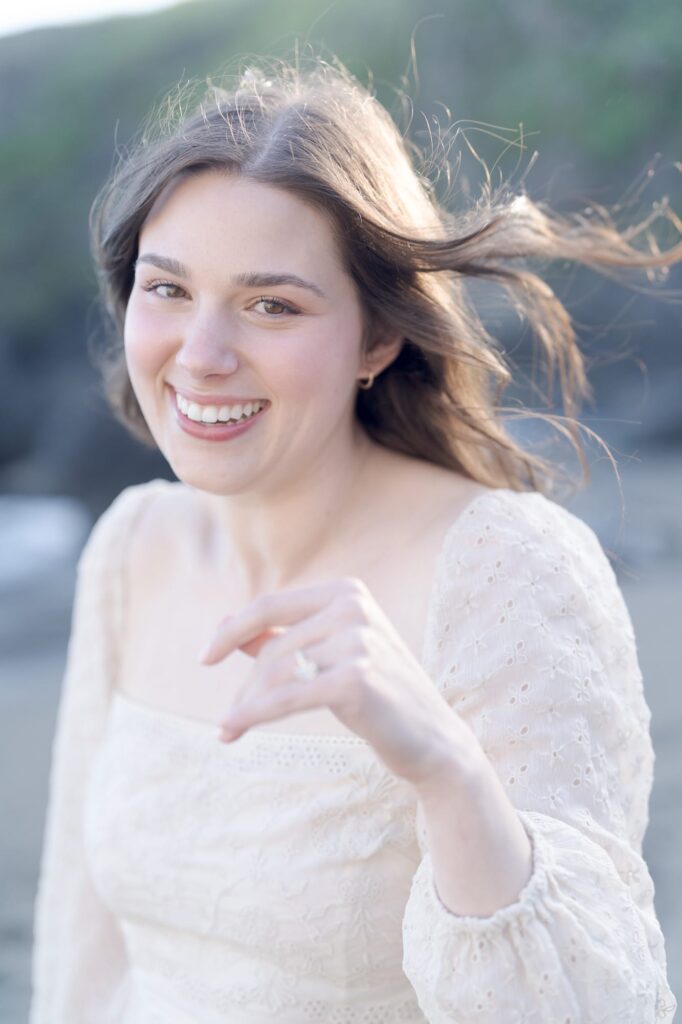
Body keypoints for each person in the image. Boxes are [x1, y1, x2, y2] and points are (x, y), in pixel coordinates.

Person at [30, 54, 679, 1023]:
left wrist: (445, 768)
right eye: (167, 289)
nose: (200, 356)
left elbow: (599, 1001)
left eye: (271, 305)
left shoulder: (510, 569)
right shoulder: (131, 546)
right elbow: (82, 953)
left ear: (378, 339)